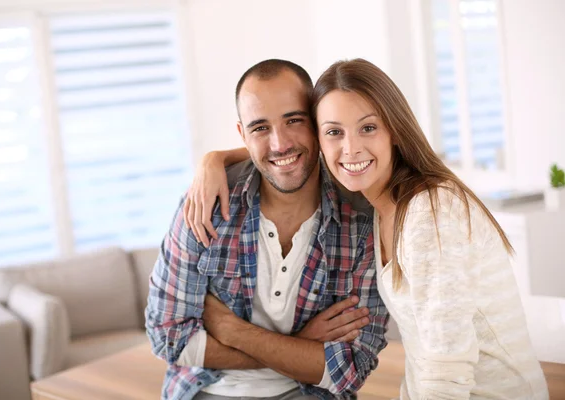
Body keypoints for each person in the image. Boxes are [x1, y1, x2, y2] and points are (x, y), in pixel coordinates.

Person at [185, 58, 549, 399]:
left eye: (368, 128)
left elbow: (446, 370)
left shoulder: (431, 213)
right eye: (334, 132)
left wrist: (234, 331)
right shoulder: (379, 204)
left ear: (394, 129)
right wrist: (213, 159)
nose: (351, 148)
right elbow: (282, 150)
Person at [145, 59, 389, 400]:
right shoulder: (206, 204)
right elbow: (167, 338)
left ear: (317, 123)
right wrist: (301, 347)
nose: (280, 143)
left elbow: (352, 367)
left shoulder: (360, 221)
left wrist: (233, 331)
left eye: (294, 120)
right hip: (205, 391)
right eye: (260, 128)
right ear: (243, 135)